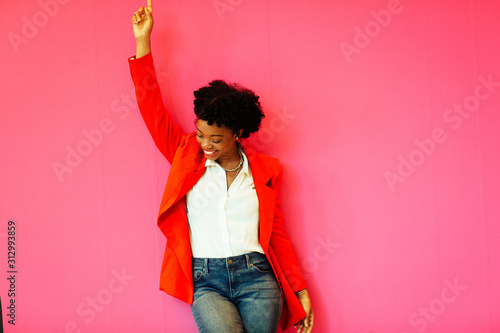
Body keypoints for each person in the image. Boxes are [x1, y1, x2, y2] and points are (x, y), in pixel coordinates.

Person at [130, 1, 314, 332]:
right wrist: (143, 42)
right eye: (201, 134)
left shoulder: (267, 171)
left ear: (238, 134)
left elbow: (279, 235)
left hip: (257, 278)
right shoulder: (186, 154)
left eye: (215, 139)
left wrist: (299, 289)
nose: (205, 143)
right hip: (206, 279)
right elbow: (151, 108)